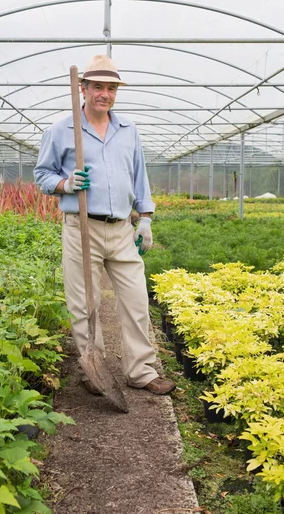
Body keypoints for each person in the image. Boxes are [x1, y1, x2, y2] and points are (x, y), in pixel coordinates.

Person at [34, 54, 175, 396]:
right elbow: (42, 175)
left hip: (122, 229)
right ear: (83, 89)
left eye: (111, 88)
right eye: (98, 86)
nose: (105, 94)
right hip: (82, 227)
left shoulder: (128, 130)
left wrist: (145, 220)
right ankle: (92, 367)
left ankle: (140, 371)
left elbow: (139, 176)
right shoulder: (62, 129)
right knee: (85, 303)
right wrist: (65, 185)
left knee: (137, 299)